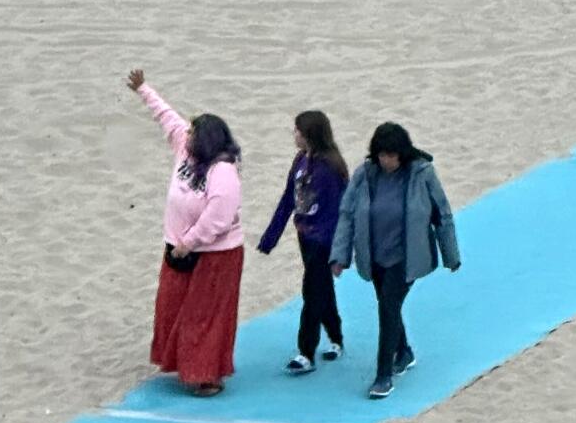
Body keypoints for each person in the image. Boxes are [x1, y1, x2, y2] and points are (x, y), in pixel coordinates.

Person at [127, 68, 245, 397]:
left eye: (194, 133)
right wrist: (143, 89)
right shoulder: (185, 149)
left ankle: (205, 374)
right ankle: (182, 363)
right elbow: (167, 117)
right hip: (179, 248)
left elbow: (218, 218)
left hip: (214, 254)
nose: (187, 134)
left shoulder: (223, 171)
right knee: (173, 307)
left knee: (204, 315)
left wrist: (188, 242)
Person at [329, 121, 460, 400]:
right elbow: (347, 214)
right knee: (388, 305)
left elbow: (442, 214)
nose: (386, 160)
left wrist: (451, 255)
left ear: (403, 153)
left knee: (388, 307)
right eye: (381, 154)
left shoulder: (422, 174)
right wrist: (340, 256)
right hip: (375, 256)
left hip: (407, 257)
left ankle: (383, 374)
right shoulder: (365, 175)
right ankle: (404, 351)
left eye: (391, 155)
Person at [258, 111, 350, 374]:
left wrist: (338, 252)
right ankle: (336, 337)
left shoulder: (330, 169)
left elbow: (339, 210)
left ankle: (306, 352)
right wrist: (270, 237)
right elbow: (289, 198)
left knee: (312, 290)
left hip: (324, 240)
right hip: (305, 235)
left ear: (309, 134)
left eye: (297, 130)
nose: (294, 134)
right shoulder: (300, 160)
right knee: (322, 288)